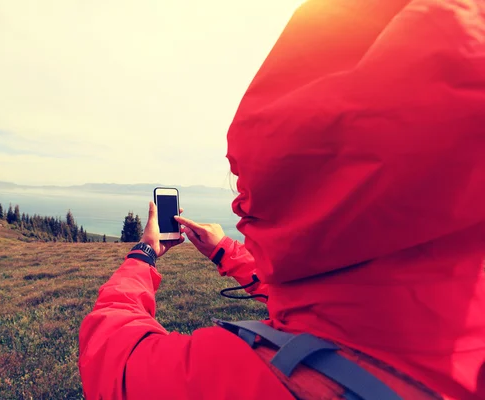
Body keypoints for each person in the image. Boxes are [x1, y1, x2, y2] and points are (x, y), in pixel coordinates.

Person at [78, 0, 485, 398]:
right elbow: (346, 293)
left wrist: (145, 254)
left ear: (284, 175)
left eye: (244, 179)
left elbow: (113, 355)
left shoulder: (240, 381)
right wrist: (223, 252)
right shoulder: (457, 325)